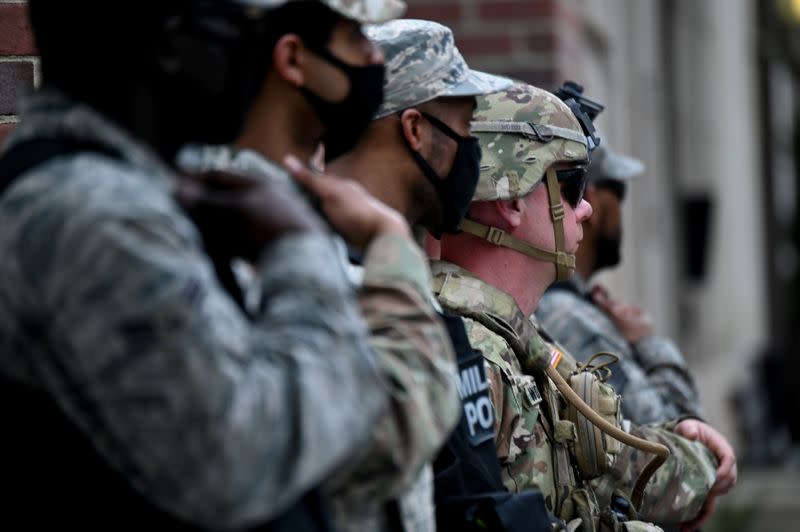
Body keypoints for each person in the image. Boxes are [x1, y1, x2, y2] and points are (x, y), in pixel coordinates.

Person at [0, 1, 414, 529]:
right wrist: (298, 248)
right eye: (242, 30)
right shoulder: (97, 215)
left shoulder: (141, 193)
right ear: (171, 46)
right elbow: (241, 461)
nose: (258, 55)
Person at [175, 11, 475, 532]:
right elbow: (387, 433)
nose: (374, 56)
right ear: (292, 58)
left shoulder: (306, 212)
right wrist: (390, 247)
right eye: (356, 36)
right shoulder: (233, 220)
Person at [433, 82, 735, 531]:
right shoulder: (467, 353)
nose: (586, 208)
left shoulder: (517, 337)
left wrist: (691, 449)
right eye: (571, 186)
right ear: (512, 198)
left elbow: (606, 465)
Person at [329, 19, 558, 532]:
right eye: (465, 130)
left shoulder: (406, 281)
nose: (472, 156)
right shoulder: (334, 279)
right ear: (414, 130)